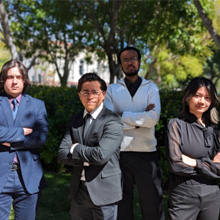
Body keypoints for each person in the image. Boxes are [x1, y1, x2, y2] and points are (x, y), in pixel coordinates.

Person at [104, 46, 164, 220]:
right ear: (121, 64)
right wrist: (140, 120)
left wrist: (121, 116)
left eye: (133, 59)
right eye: (126, 60)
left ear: (139, 61)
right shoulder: (113, 90)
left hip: (147, 155)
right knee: (122, 206)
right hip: (120, 154)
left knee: (152, 205)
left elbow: (153, 119)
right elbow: (108, 122)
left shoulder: (151, 88)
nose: (130, 62)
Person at [58, 73, 123, 220]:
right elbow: (62, 154)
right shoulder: (75, 120)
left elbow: (101, 156)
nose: (90, 96)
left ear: (104, 94)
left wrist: (75, 148)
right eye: (85, 92)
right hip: (79, 191)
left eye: (95, 92)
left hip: (104, 193)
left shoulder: (113, 121)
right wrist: (87, 158)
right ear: (79, 95)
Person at [166, 77, 220, 220]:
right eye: (198, 96)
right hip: (183, 195)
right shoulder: (176, 125)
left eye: (207, 97)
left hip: (212, 196)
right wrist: (210, 166)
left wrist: (195, 163)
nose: (202, 101)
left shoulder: (216, 130)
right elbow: (175, 165)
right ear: (188, 97)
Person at [0, 59, 48, 220]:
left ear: (24, 80)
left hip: (28, 176)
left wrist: (7, 140)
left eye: (18, 77)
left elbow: (40, 138)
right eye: (10, 77)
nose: (14, 81)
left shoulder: (37, 105)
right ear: (3, 80)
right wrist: (22, 132)